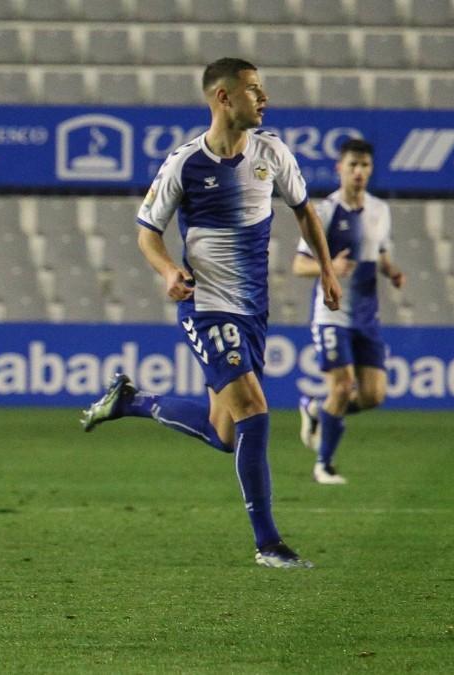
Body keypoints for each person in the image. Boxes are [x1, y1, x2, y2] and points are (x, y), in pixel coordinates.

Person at [79, 58, 342, 569]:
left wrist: (326, 270)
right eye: (252, 90)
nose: (263, 98)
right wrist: (167, 271)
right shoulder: (184, 163)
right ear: (222, 98)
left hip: (252, 311)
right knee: (254, 410)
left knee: (226, 433)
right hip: (205, 306)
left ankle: (131, 402)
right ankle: (269, 543)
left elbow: (305, 210)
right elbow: (146, 232)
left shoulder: (272, 153)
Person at [294, 139, 405, 485]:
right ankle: (323, 465)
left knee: (373, 395)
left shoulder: (379, 210)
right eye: (353, 165)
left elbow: (381, 254)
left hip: (367, 317)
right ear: (339, 168)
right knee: (341, 387)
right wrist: (329, 268)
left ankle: (315, 409)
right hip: (333, 313)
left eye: (365, 166)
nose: (359, 172)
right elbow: (299, 265)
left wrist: (392, 271)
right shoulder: (325, 211)